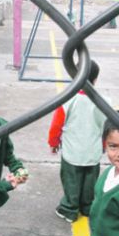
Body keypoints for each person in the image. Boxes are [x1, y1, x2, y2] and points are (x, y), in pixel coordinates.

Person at [48, 60, 108, 223]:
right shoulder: (103, 101)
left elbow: (57, 125)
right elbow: (106, 127)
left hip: (72, 151)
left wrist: (53, 143)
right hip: (93, 150)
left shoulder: (67, 99)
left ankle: (69, 209)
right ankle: (87, 207)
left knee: (71, 181)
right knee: (90, 182)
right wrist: (104, 146)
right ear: (95, 79)